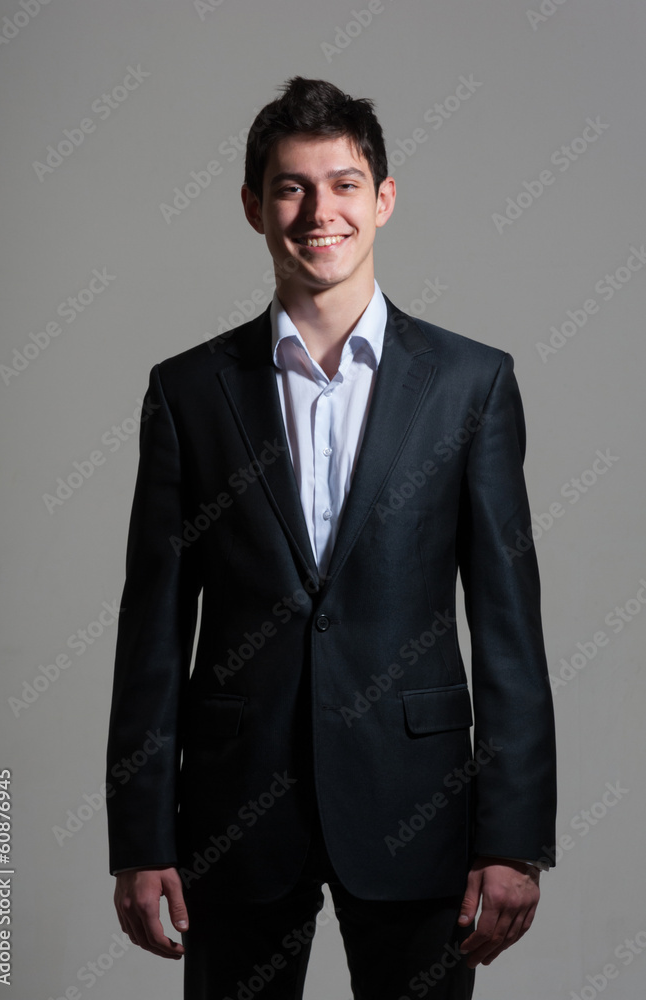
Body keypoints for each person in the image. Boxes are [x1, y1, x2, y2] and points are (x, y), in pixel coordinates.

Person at [106, 76, 556, 1000]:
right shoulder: (188, 392)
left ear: (383, 200)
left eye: (345, 184)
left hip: (416, 806)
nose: (320, 211)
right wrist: (141, 837)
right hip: (232, 815)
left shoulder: (470, 385)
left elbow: (509, 628)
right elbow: (150, 630)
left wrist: (512, 838)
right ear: (252, 207)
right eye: (290, 187)